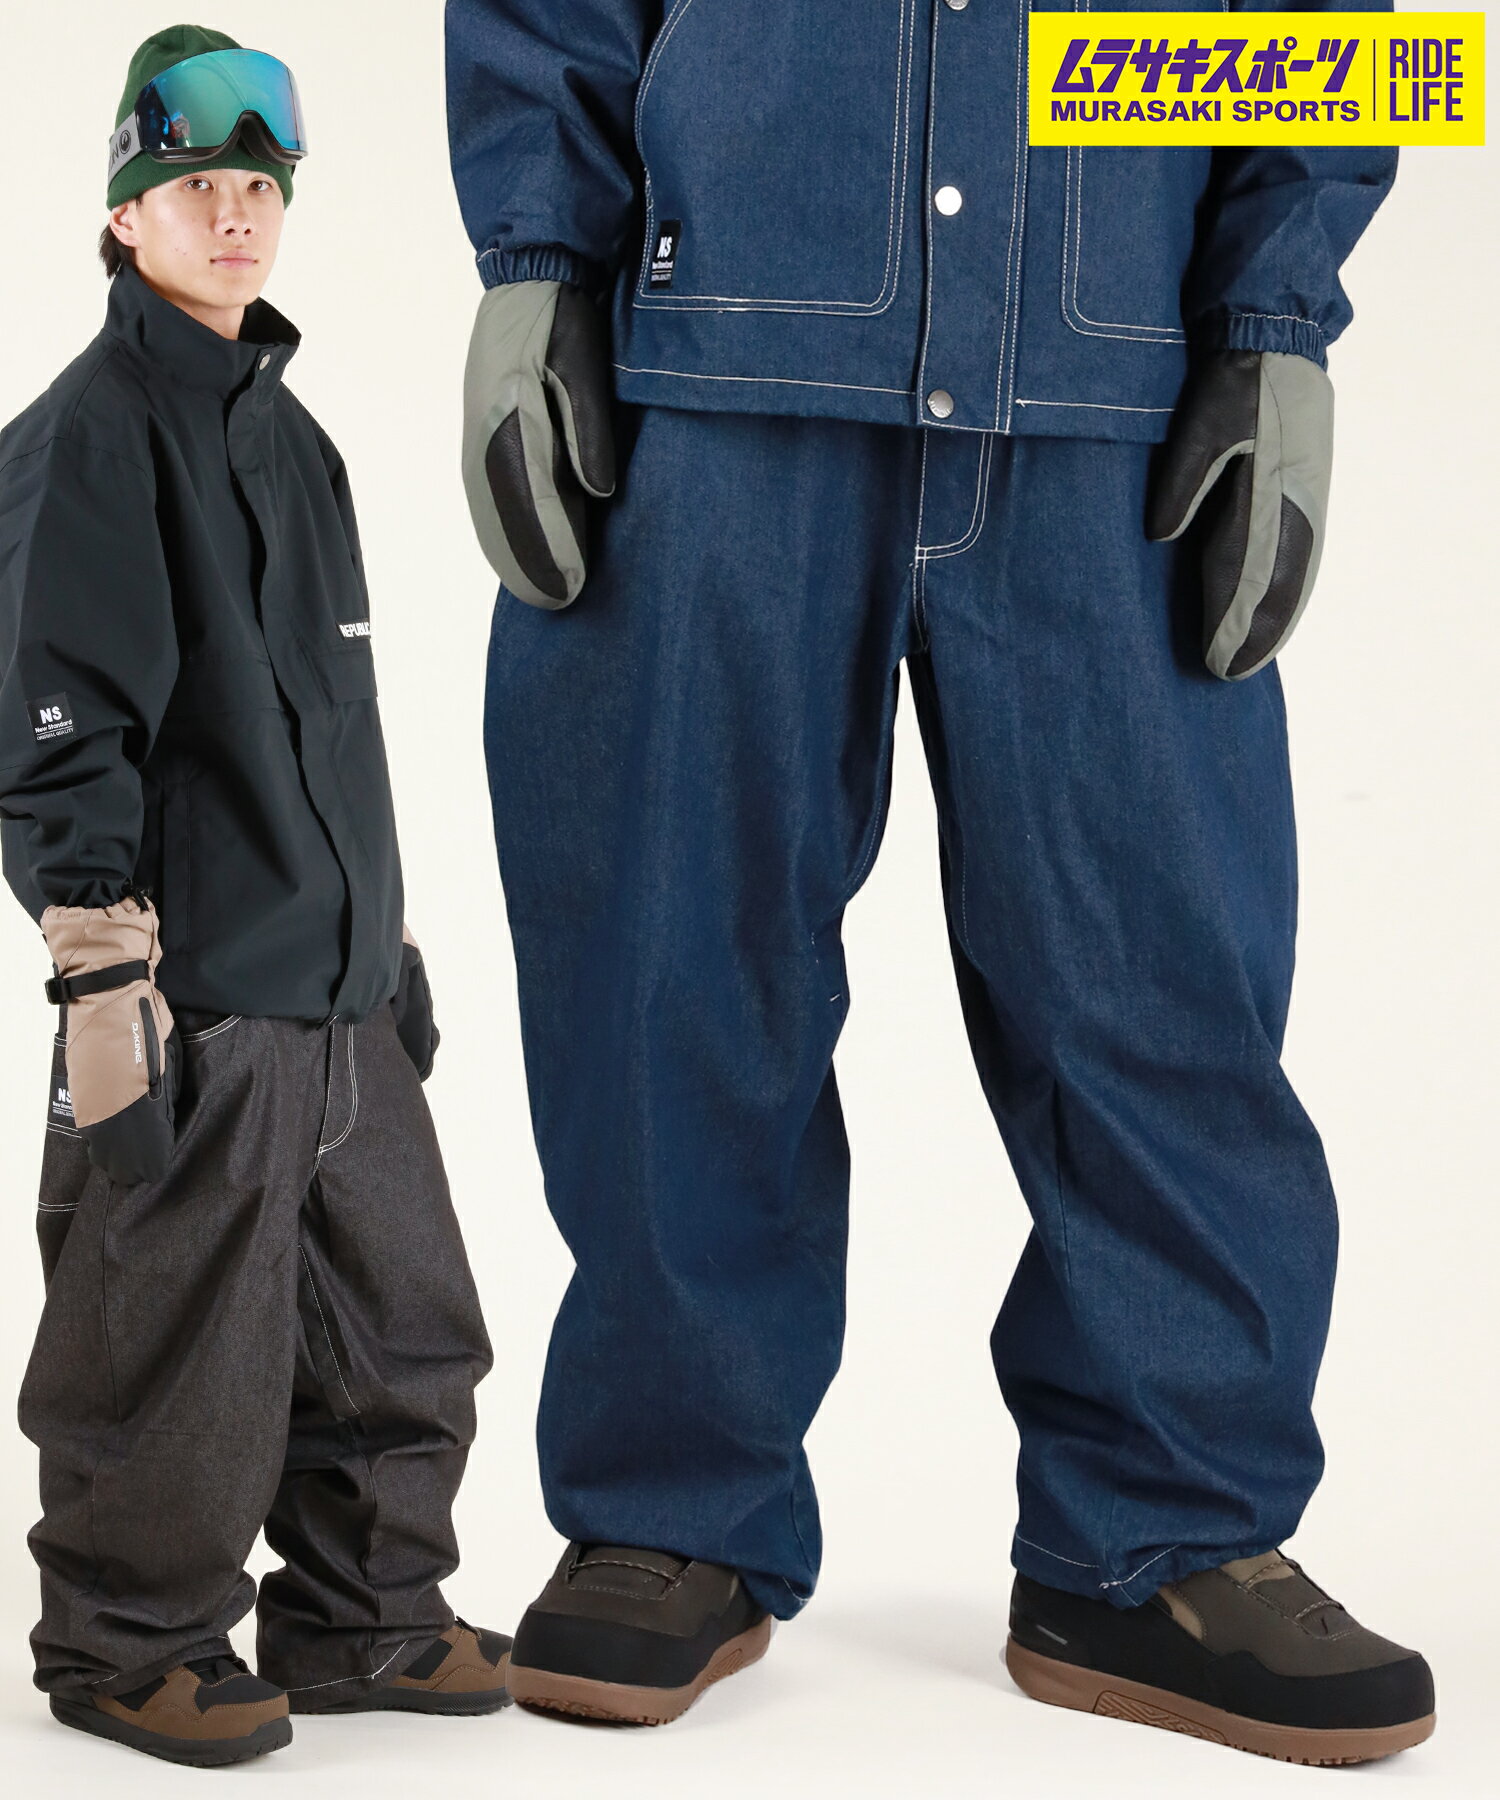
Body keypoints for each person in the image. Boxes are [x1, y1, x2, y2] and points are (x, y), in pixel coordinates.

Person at [445, 0, 1436, 1763]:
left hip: (1115, 386)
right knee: (665, 964)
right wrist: (537, 257)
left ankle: (1163, 1541)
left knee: (1165, 987)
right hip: (718, 353)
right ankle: (668, 1511)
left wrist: (1278, 316)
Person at [0, 26, 508, 1767]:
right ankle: (126, 1645)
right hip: (198, 997)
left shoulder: (298, 447)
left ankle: (365, 1618)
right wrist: (97, 972)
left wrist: (391, 930)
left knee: (403, 1326)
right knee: (177, 1350)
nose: (236, 215)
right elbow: (59, 722)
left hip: (339, 987)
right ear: (125, 213)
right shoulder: (85, 442)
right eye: (198, 185)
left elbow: (335, 724)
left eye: (260, 187)